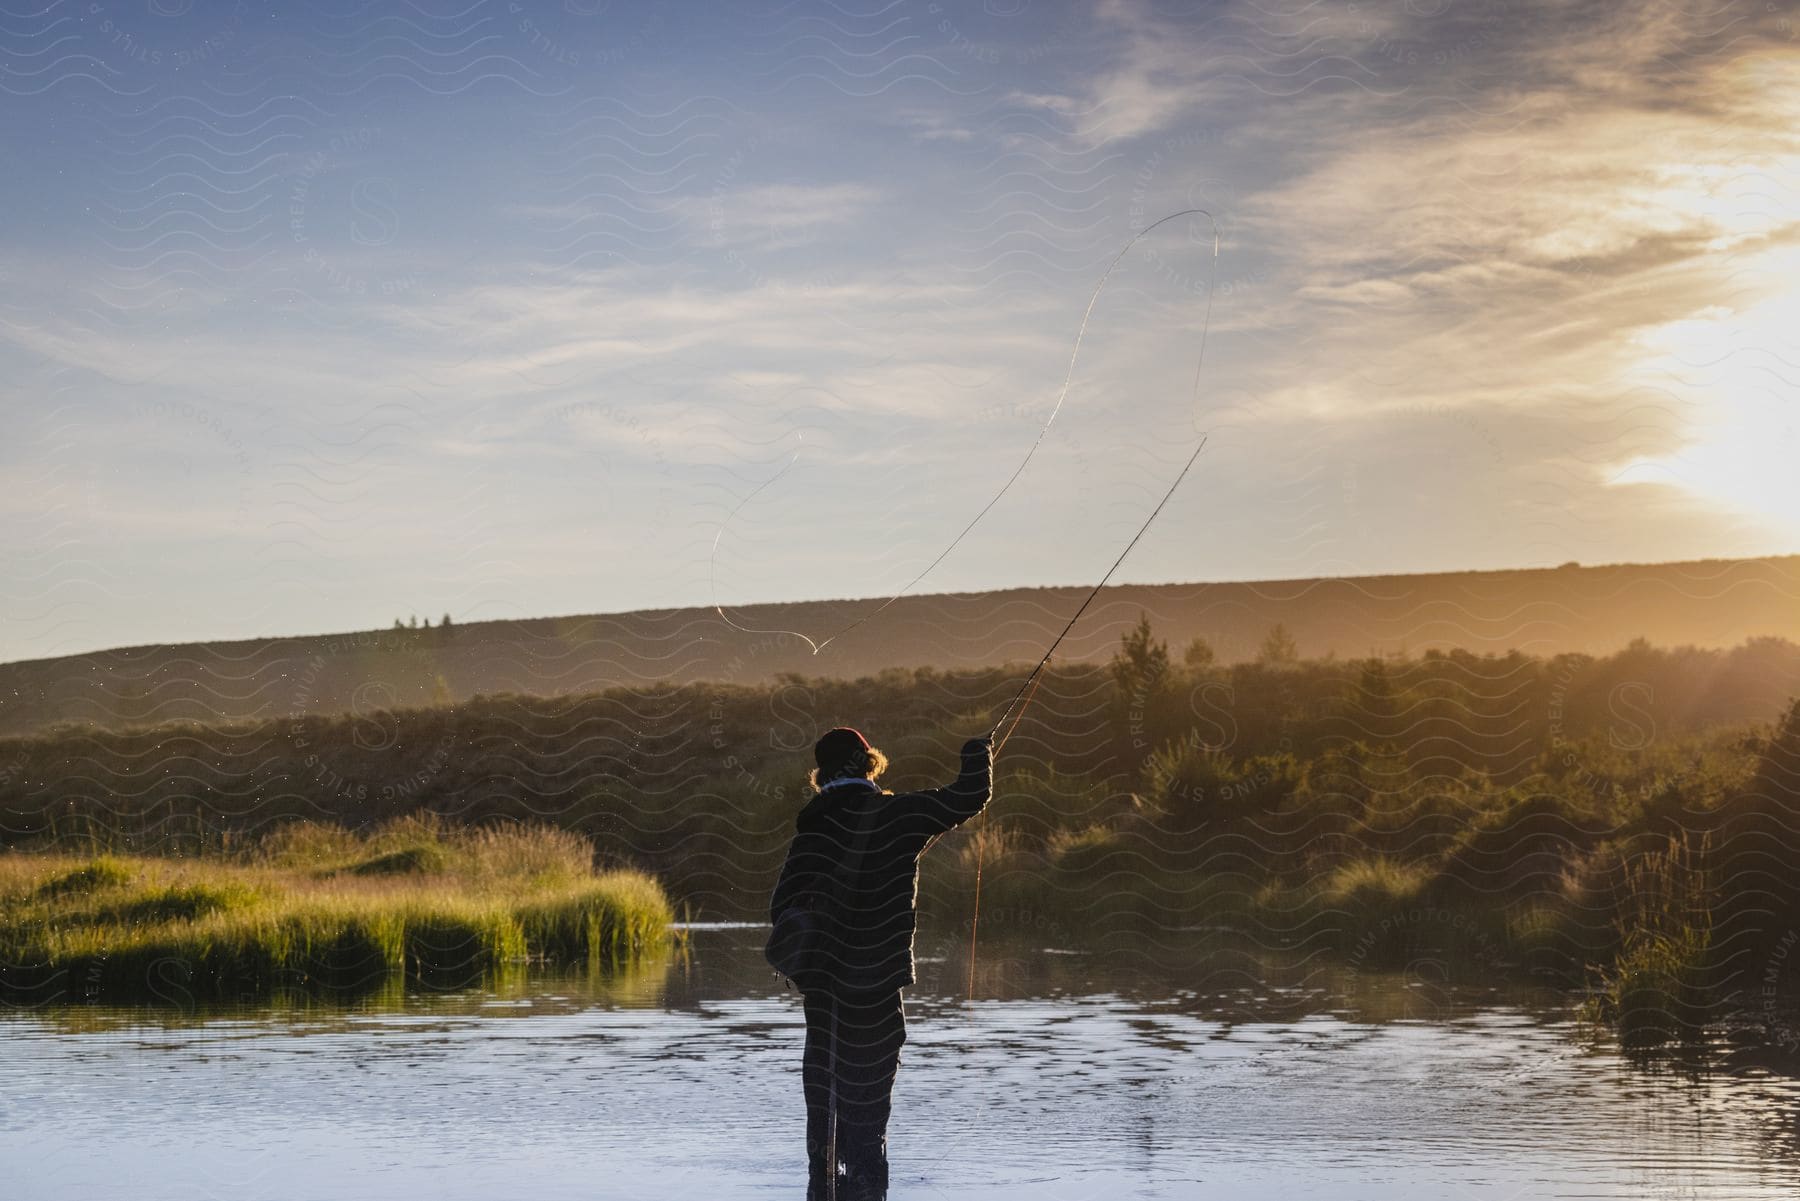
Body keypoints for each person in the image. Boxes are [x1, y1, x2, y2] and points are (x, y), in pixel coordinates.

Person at [769, 725, 994, 1201]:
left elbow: (781, 909)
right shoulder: (900, 814)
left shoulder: (810, 830)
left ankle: (821, 1183)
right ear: (870, 764)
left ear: (821, 776)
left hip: (823, 989)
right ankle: (867, 1186)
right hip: (877, 985)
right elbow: (969, 796)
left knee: (824, 1104)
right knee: (867, 1107)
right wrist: (977, 753)